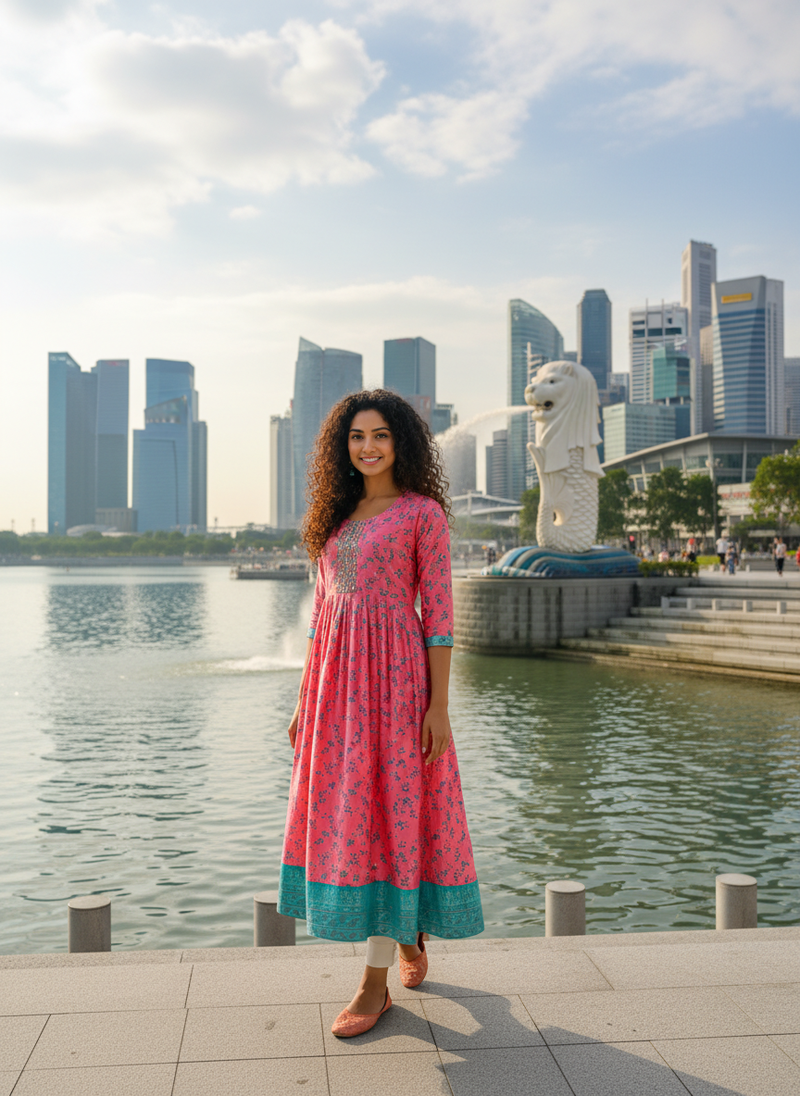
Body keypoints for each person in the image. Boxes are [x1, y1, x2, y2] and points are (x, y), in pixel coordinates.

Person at [278, 389, 484, 1038]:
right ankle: (408, 933)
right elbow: (322, 621)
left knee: (390, 815)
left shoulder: (422, 515)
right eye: (357, 437)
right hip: (338, 694)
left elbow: (441, 620)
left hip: (396, 690)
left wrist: (439, 707)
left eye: (381, 436)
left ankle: (374, 987)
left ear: (403, 444)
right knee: (357, 822)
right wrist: (303, 702)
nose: (368, 447)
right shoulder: (334, 520)